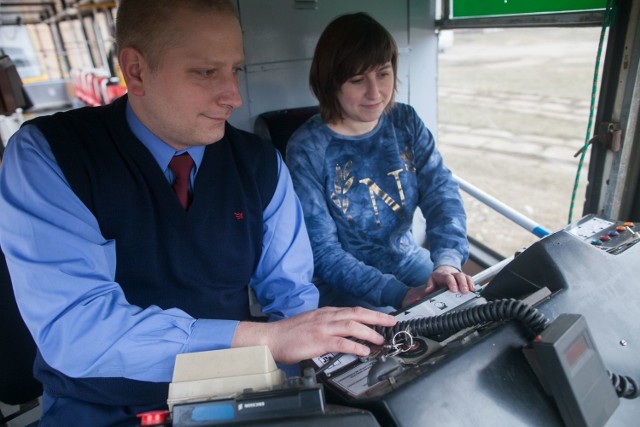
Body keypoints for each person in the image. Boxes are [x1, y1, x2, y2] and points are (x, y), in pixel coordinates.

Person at [0, 2, 396, 425]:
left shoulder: (259, 163)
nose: (233, 96)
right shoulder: (52, 157)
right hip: (98, 408)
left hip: (232, 397)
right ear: (135, 70)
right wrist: (266, 339)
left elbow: (292, 298)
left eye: (236, 70)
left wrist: (305, 371)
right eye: (206, 73)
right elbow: (77, 329)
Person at [286, 12, 475, 312]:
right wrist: (397, 295)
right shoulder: (308, 148)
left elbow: (441, 193)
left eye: (383, 74)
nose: (375, 93)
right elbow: (322, 251)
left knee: (466, 311)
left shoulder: (405, 122)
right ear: (330, 83)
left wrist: (447, 262)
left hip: (406, 259)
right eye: (358, 80)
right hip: (340, 285)